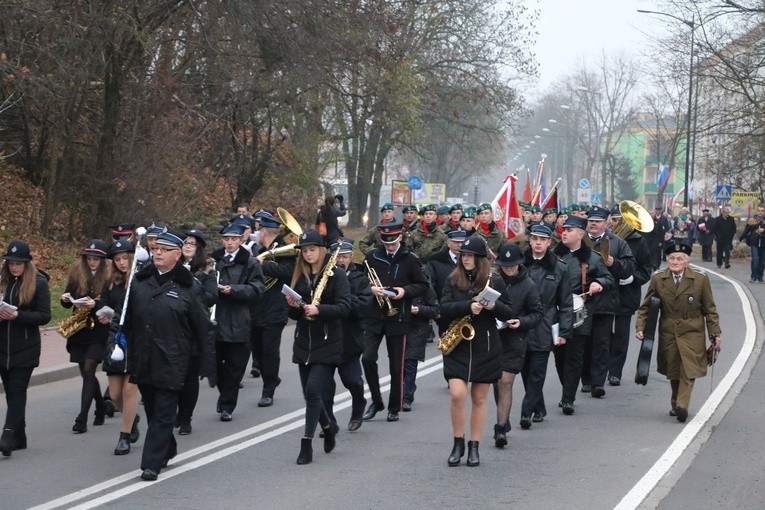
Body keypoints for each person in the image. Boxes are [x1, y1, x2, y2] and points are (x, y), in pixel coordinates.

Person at [116, 229, 215, 481]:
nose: (157, 252)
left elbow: (203, 327)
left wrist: (208, 363)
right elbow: (125, 319)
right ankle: (167, 447)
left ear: (178, 254)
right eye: (155, 248)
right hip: (144, 357)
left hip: (174, 360)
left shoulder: (189, 287)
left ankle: (151, 463)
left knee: (163, 413)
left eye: (164, 249)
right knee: (152, 409)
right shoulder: (139, 281)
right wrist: (117, 342)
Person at [440, 235, 512, 466]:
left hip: (486, 345)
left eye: (470, 255)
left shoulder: (495, 281)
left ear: (481, 258)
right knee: (457, 394)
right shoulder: (452, 279)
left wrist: (494, 306)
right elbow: (443, 308)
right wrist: (466, 306)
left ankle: (474, 446)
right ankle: (457, 442)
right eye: (464, 255)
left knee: (480, 398)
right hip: (458, 346)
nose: (466, 259)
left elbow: (509, 313)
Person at [635, 243, 722, 423]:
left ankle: (682, 406)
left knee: (688, 368)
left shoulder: (700, 279)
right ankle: (676, 403)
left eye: (679, 259)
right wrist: (640, 327)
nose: (675, 262)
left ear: (687, 262)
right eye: (672, 258)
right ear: (667, 260)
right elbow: (646, 306)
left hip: (693, 329)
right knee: (673, 369)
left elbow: (710, 309)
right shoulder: (658, 279)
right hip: (668, 329)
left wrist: (715, 333)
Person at [285, 230, 351, 465]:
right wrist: (293, 306)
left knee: (314, 391)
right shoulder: (300, 276)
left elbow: (345, 308)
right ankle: (328, 425)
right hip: (304, 342)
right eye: (304, 250)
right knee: (308, 394)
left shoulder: (337, 274)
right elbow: (295, 314)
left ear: (321, 250)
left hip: (327, 342)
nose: (308, 254)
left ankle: (307, 442)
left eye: (312, 249)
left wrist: (319, 309)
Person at [361, 223, 429, 423]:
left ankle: (393, 407)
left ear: (400, 237)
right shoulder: (372, 256)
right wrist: (370, 288)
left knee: (396, 365)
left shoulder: (410, 259)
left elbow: (423, 285)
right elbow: (361, 280)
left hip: (398, 316)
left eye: (393, 242)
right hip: (374, 314)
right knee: (367, 358)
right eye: (386, 243)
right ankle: (376, 400)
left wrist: (404, 291)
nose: (390, 247)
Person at [552, 216, 614, 415]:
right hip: (556, 312)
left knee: (574, 356)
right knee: (559, 356)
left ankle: (568, 398)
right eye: (564, 229)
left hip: (580, 313)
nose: (564, 232)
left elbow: (608, 278)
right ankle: (566, 388)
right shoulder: (553, 256)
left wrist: (600, 283)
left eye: (570, 230)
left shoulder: (592, 257)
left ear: (580, 234)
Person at [0, 241, 51, 456]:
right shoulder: (3, 282)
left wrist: (18, 315)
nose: (14, 267)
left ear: (26, 263)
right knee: (11, 393)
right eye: (11, 263)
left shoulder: (38, 283)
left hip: (26, 348)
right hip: (2, 348)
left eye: (18, 263)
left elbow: (44, 316)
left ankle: (7, 435)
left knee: (17, 390)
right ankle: (20, 437)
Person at [521, 225, 573, 428]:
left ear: (549, 242)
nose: (538, 242)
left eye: (542, 239)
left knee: (538, 370)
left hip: (545, 321)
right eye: (534, 238)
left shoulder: (560, 268)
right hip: (522, 322)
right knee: (525, 369)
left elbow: (566, 302)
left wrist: (564, 331)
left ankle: (526, 412)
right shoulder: (519, 264)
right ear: (530, 241)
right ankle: (538, 406)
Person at [580, 206, 634, 398]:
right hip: (582, 300)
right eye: (590, 220)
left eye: (597, 220)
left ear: (607, 222)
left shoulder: (617, 243)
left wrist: (614, 263)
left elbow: (629, 268)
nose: (593, 224)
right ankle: (585, 379)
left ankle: (597, 382)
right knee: (584, 341)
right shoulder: (578, 240)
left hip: (606, 300)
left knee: (601, 343)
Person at [212, 224, 264, 421]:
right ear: (222, 241)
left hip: (238, 319)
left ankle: (227, 405)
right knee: (215, 365)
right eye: (226, 239)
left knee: (235, 367)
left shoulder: (250, 262)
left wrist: (233, 290)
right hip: (216, 318)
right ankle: (224, 393)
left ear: (241, 240)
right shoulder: (213, 260)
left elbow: (257, 289)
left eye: (234, 239)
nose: (230, 242)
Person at [492, 242, 542, 445]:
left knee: (505, 382)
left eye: (512, 266)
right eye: (505, 266)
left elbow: (537, 314)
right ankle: (503, 416)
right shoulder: (493, 281)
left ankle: (500, 428)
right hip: (493, 337)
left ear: (519, 264)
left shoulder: (528, 285)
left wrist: (521, 322)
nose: (509, 269)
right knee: (496, 381)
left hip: (515, 338)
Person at [322, 238, 373, 432]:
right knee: (324, 385)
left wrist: (343, 298)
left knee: (352, 380)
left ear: (351, 257)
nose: (340, 260)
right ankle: (328, 421)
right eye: (336, 257)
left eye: (344, 256)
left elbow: (363, 306)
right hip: (326, 338)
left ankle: (359, 404)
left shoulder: (359, 278)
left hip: (349, 338)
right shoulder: (324, 276)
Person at [61, 239, 111, 433]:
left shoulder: (109, 276)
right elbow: (68, 299)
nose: (92, 262)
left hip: (99, 329)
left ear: (102, 260)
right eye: (89, 258)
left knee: (90, 368)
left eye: (96, 259)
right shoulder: (77, 274)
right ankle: (99, 405)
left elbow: (112, 303)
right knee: (85, 371)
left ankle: (82, 418)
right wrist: (65, 298)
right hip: (80, 328)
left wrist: (96, 305)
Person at [99, 240, 141, 455]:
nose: (122, 263)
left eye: (125, 258)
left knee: (129, 389)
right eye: (117, 259)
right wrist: (104, 315)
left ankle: (124, 436)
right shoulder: (110, 282)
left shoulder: (140, 278)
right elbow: (103, 304)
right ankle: (131, 419)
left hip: (136, 338)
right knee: (115, 394)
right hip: (115, 338)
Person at [250, 212, 296, 405]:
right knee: (257, 350)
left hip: (275, 307)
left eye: (258, 230)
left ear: (263, 232)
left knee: (269, 351)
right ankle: (272, 377)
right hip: (257, 307)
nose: (257, 233)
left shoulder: (286, 249)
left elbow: (288, 272)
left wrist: (263, 264)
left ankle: (268, 390)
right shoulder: (259, 249)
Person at [176, 229, 218, 435]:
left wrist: (193, 290)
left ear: (199, 248)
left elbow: (212, 296)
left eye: (192, 243)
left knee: (190, 376)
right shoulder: (171, 266)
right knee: (173, 374)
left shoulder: (206, 270)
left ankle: (186, 418)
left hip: (194, 327)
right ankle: (175, 410)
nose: (188, 246)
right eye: (185, 242)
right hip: (173, 326)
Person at [607, 207, 653, 386]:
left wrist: (633, 279)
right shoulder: (606, 239)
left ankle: (615, 372)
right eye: (613, 219)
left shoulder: (639, 242)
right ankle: (601, 369)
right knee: (602, 335)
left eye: (618, 220)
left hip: (626, 295)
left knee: (620, 335)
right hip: (605, 293)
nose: (614, 223)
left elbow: (646, 269)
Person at [403, 281, 439, 412]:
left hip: (417, 329)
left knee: (410, 362)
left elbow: (435, 309)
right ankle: (405, 389)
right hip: (398, 327)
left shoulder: (426, 286)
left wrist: (418, 309)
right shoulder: (398, 281)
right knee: (398, 364)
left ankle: (406, 398)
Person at [426, 229, 467, 334]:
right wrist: (435, 307)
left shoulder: (472, 260)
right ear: (449, 243)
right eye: (456, 242)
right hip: (445, 310)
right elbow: (430, 285)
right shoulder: (436, 260)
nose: (459, 245)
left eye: (462, 242)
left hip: (467, 309)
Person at [739, 205, 765, 283]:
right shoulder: (752, 220)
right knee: (754, 260)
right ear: (757, 211)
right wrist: (740, 238)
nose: (760, 212)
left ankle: (760, 277)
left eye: (762, 211)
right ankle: (753, 276)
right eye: (759, 210)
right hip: (754, 243)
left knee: (762, 261)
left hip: (763, 243)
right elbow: (746, 231)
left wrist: (763, 230)